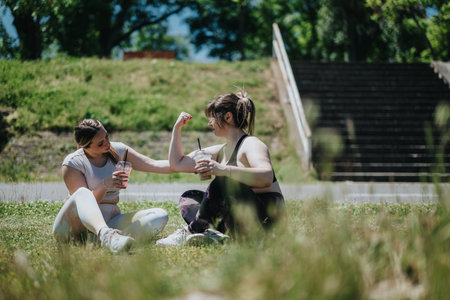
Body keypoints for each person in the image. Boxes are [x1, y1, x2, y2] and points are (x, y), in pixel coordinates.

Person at [157, 91, 285, 246]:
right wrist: (177, 129)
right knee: (189, 198)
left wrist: (223, 170)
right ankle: (215, 234)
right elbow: (176, 163)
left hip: (265, 218)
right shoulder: (221, 150)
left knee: (224, 180)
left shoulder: (251, 143)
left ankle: (194, 230)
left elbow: (266, 177)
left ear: (228, 117)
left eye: (212, 117)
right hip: (239, 218)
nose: (209, 123)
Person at [53, 119, 173, 253]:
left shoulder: (119, 151)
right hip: (72, 229)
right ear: (85, 146)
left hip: (110, 221)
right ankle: (105, 236)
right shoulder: (73, 163)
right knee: (82, 192)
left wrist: (190, 164)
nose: (107, 144)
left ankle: (112, 239)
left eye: (107, 137)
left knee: (159, 215)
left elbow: (153, 164)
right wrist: (106, 184)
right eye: (100, 143)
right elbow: (86, 204)